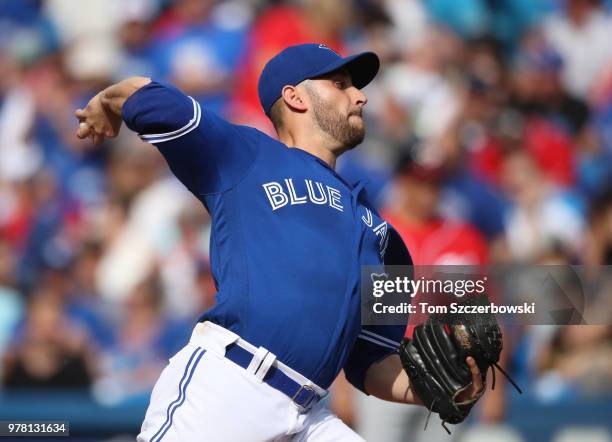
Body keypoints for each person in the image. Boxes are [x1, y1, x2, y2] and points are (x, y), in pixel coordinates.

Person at [74, 43, 483, 441]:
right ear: (294, 97)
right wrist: (108, 102)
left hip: (309, 415)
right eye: (340, 84)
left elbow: (371, 364)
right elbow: (148, 94)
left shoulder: (381, 236)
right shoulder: (246, 156)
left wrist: (436, 388)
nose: (360, 97)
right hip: (231, 387)